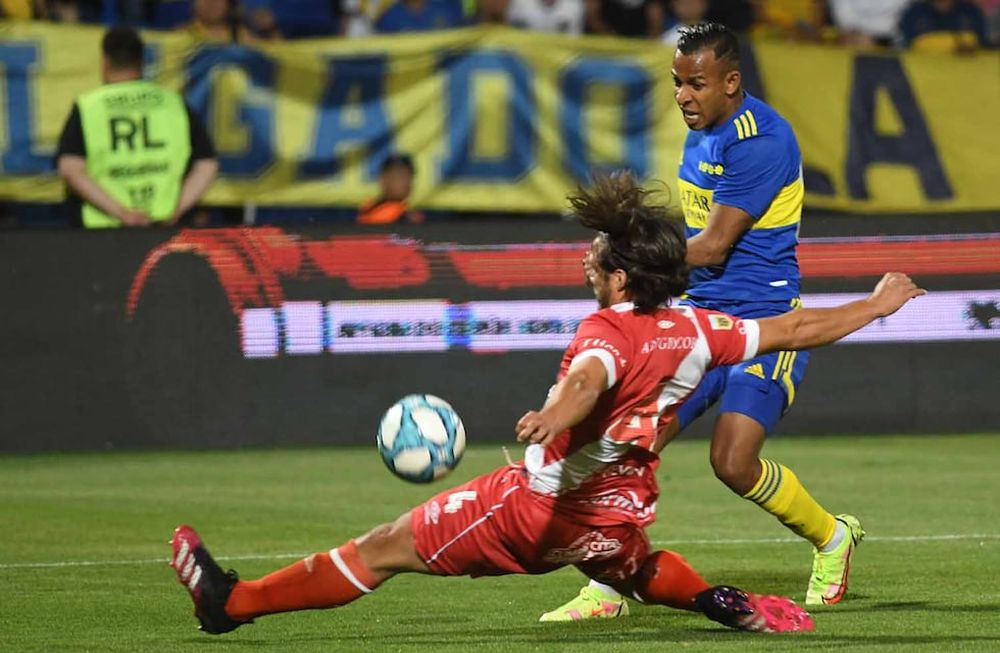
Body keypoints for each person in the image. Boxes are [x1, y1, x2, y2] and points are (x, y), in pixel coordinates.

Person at [169, 172, 925, 637]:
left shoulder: (604, 330)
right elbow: (796, 325)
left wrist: (555, 416)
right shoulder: (702, 328)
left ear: (622, 277)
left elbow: (590, 379)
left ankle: (231, 603)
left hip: (536, 508)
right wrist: (879, 304)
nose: (586, 257)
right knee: (635, 567)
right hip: (618, 511)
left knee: (382, 546)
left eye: (598, 254)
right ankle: (719, 600)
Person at [541, 22, 861, 621]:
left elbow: (712, 245)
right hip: (695, 322)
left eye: (696, 84)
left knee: (732, 461)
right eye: (677, 83)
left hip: (766, 323)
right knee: (636, 441)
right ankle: (608, 588)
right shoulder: (704, 130)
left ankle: (831, 537)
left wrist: (627, 255)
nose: (683, 96)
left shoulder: (762, 141)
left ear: (731, 82)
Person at [55, 27, 218, 229]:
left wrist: (122, 213)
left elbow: (70, 169)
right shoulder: (174, 103)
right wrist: (176, 210)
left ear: (104, 62)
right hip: (165, 229)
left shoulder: (88, 106)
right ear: (141, 63)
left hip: (101, 232)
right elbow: (207, 165)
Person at [899, 0, 990, 53]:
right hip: (924, 75)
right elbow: (908, 45)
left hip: (967, 73)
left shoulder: (970, 11)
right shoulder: (914, 12)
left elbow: (983, 42)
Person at [357, 154, 425, 225]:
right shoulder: (369, 207)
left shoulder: (409, 215)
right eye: (400, 176)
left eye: (409, 177)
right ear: (384, 179)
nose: (406, 183)